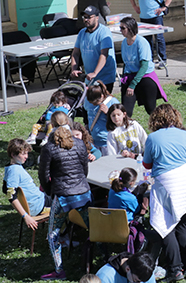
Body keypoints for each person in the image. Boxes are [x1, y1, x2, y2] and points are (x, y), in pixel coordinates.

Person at [143, 104, 186, 282]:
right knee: (183, 224)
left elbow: (147, 165)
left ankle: (175, 269)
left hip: (167, 186)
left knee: (166, 227)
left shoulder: (153, 138)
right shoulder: (184, 134)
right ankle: (185, 263)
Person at [38, 114, 92, 280]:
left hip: (62, 197)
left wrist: (50, 191)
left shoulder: (49, 147)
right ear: (68, 123)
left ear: (51, 125)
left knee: (53, 235)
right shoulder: (79, 143)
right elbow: (85, 169)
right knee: (95, 228)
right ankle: (100, 258)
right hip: (83, 194)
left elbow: (43, 175)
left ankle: (59, 269)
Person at [128, 0, 174, 68]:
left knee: (159, 38)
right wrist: (134, 6)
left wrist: (164, 7)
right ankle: (149, 60)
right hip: (144, 16)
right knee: (146, 39)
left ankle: (162, 60)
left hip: (156, 15)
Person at [119, 17, 165, 118]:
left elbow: (144, 66)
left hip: (145, 76)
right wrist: (124, 79)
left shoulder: (141, 42)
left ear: (130, 28)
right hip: (131, 76)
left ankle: (160, 127)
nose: (120, 30)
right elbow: (126, 64)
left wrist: (133, 85)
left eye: (123, 28)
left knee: (151, 109)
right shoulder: (124, 43)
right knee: (125, 112)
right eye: (120, 28)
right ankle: (126, 131)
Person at [5, 139, 52, 234]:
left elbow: (4, 188)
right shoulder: (14, 171)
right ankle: (63, 236)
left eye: (26, 153)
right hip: (39, 205)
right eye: (23, 154)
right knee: (66, 203)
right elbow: (11, 196)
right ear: (13, 155)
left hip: (39, 200)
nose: (26, 157)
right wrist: (25, 216)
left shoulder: (10, 168)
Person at [71, 5, 118, 92]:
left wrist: (95, 73)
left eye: (89, 17)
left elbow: (104, 54)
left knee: (102, 104)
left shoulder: (104, 32)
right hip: (89, 77)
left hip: (104, 78)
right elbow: (75, 53)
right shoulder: (82, 33)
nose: (86, 19)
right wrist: (74, 69)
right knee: (89, 104)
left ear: (97, 17)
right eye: (84, 17)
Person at [84, 80, 120, 154]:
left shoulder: (113, 102)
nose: (93, 105)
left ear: (102, 96)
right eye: (91, 102)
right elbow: (85, 111)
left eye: (96, 102)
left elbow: (120, 121)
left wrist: (108, 113)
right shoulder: (87, 100)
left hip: (107, 142)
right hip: (93, 141)